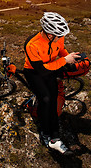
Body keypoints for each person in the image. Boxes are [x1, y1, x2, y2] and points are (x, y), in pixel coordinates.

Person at [23, 12, 80, 154]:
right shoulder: (32, 44)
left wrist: (67, 58)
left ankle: (55, 137)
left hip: (51, 68)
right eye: (58, 36)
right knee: (46, 99)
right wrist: (64, 61)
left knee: (53, 99)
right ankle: (44, 132)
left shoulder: (57, 37)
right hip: (34, 72)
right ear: (49, 34)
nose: (61, 38)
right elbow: (41, 70)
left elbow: (61, 49)